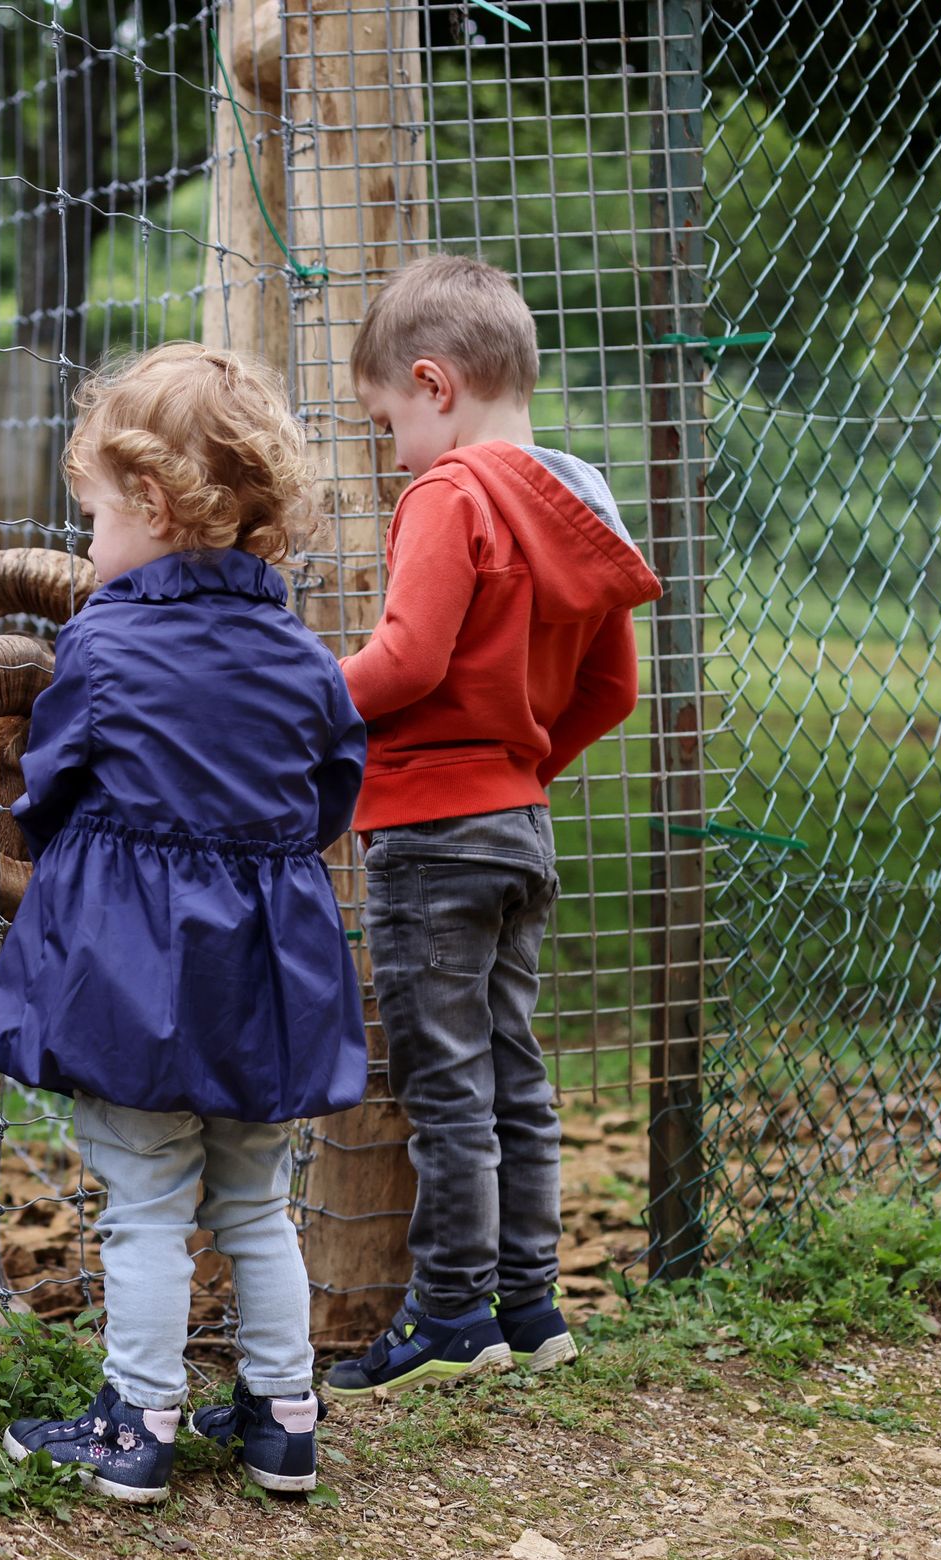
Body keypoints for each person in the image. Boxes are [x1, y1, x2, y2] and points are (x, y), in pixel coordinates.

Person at [0, 341, 367, 1502]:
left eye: (93, 516)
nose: (89, 544)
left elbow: (49, 786)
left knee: (144, 1203)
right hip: (265, 976)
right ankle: (281, 1415)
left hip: (136, 971)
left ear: (149, 503)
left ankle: (135, 1423)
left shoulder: (101, 641)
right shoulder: (304, 661)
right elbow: (330, 796)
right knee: (254, 1199)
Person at [321, 254, 662, 1400]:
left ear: (434, 384)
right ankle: (530, 1305)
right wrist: (522, 769)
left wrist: (300, 694)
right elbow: (611, 689)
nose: (390, 453)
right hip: (518, 828)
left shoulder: (449, 496)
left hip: (430, 831)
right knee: (514, 1071)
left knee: (445, 1084)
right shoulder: (577, 509)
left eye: (385, 423)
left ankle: (451, 1318)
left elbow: (406, 660)